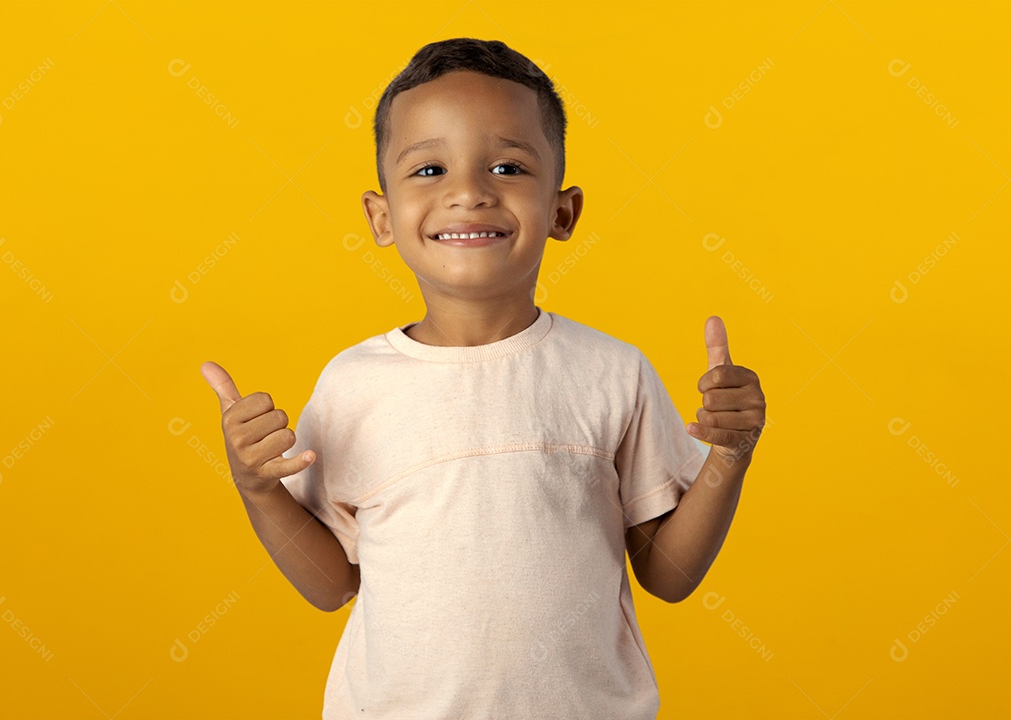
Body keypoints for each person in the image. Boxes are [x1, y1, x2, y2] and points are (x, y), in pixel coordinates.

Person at [201, 37, 765, 719]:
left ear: (562, 212)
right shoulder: (353, 386)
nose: (468, 193)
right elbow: (331, 586)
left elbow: (668, 577)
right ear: (381, 217)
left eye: (507, 166)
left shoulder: (613, 372)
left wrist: (729, 457)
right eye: (429, 169)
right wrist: (259, 489)